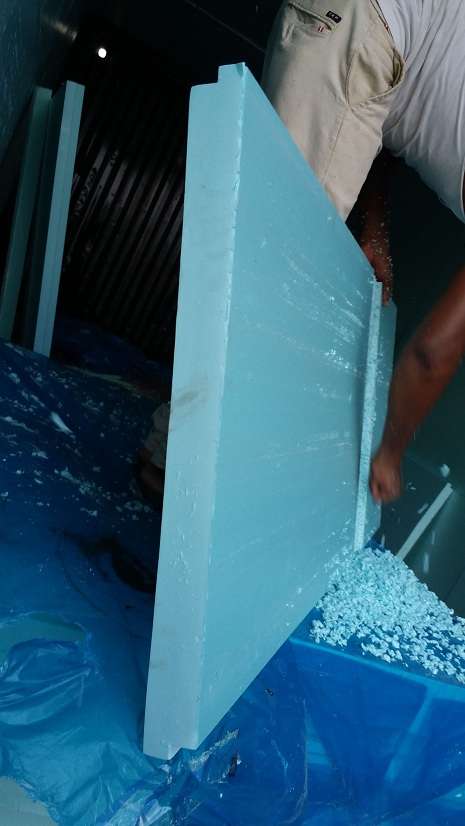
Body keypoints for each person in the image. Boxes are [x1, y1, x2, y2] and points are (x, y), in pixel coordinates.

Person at [262, 0, 465, 503]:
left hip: (364, 34)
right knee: (274, 291)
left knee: (266, 271)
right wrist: (390, 455)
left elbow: (399, 101)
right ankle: (174, 470)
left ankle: (174, 459)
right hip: (363, 28)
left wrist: (374, 226)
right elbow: (432, 354)